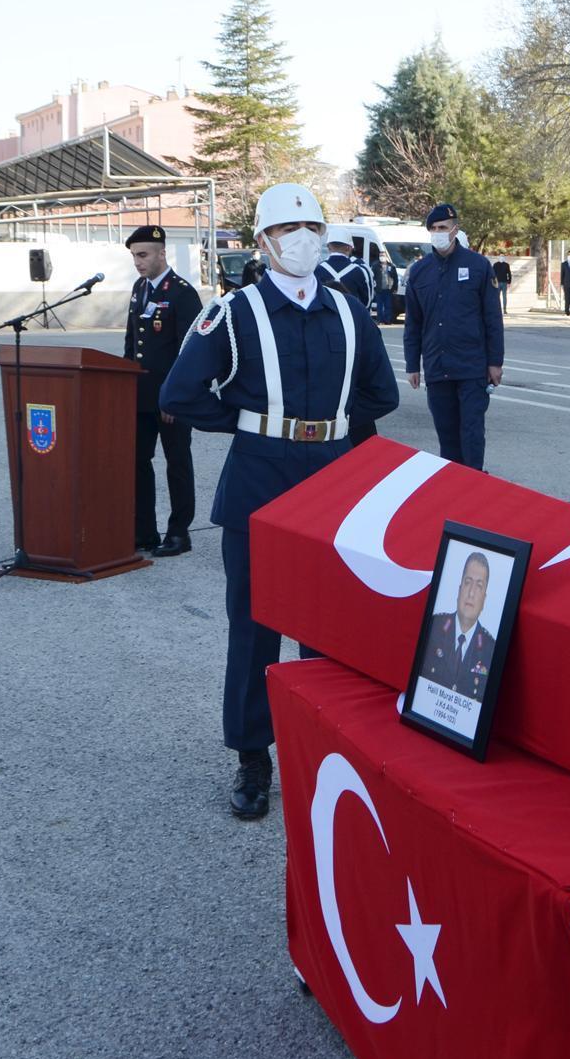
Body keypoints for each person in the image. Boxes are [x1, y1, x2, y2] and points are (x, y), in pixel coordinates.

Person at [161, 183, 399, 819]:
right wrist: (245, 421)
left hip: (335, 485)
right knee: (255, 626)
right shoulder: (233, 311)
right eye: (288, 229)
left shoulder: (349, 310)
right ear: (262, 243)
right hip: (260, 481)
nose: (303, 239)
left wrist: (334, 431)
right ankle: (252, 755)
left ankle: (323, 746)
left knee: (331, 630)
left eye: (312, 227)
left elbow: (382, 394)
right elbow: (180, 393)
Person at [403, 203, 504, 470]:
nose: (438, 232)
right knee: (447, 437)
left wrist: (495, 362)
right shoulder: (419, 272)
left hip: (472, 367)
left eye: (443, 228)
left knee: (471, 433)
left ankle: (475, 489)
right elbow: (413, 322)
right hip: (437, 367)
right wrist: (412, 364)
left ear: (454, 230)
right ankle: (453, 493)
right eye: (434, 229)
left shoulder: (478, 266)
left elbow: (493, 318)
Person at [123, 224, 201, 556]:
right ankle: (144, 532)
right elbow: (131, 345)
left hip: (171, 398)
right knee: (138, 462)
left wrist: (178, 396)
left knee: (177, 463)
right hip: (141, 396)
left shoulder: (182, 293)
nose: (138, 262)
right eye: (133, 256)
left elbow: (191, 351)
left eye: (142, 255)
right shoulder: (139, 289)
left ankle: (179, 532)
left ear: (161, 253)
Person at [420, 552, 496, 701]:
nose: (471, 593)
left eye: (479, 586)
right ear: (459, 589)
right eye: (468, 582)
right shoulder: (433, 627)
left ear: (484, 600)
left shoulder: (491, 649)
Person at [320, 225, 372, 308]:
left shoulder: (317, 269)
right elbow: (366, 302)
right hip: (351, 317)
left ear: (328, 247)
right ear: (349, 248)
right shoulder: (359, 271)